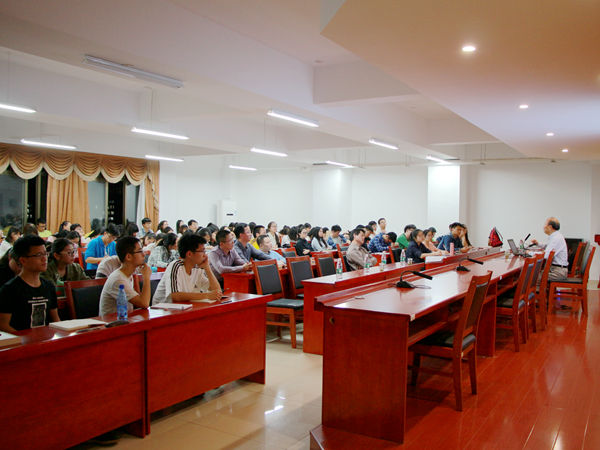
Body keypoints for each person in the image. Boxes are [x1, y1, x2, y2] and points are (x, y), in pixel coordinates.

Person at [0, 235, 60, 332]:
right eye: (38, 255)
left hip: (45, 338)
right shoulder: (10, 289)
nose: (44, 259)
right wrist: (24, 339)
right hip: (19, 339)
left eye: (45, 254)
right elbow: (3, 326)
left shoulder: (49, 286)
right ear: (23, 260)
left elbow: (56, 320)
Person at [152, 234, 222, 304]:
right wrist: (207, 295)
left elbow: (217, 291)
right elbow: (175, 295)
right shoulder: (176, 266)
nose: (205, 255)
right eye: (202, 251)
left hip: (185, 306)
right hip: (164, 308)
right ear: (189, 254)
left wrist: (207, 268)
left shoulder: (197, 268)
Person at [98, 236, 151, 316]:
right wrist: (146, 277)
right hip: (111, 322)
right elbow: (144, 303)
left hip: (126, 318)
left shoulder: (128, 275)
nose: (144, 254)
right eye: (140, 251)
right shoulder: (118, 279)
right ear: (128, 257)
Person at [531, 217, 569, 282]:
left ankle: (538, 288)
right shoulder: (556, 236)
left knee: (533, 278)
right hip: (556, 269)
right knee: (533, 275)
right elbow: (548, 246)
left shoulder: (556, 238)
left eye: (545, 224)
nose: (543, 227)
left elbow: (546, 255)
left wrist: (530, 253)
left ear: (550, 227)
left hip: (558, 272)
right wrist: (538, 244)